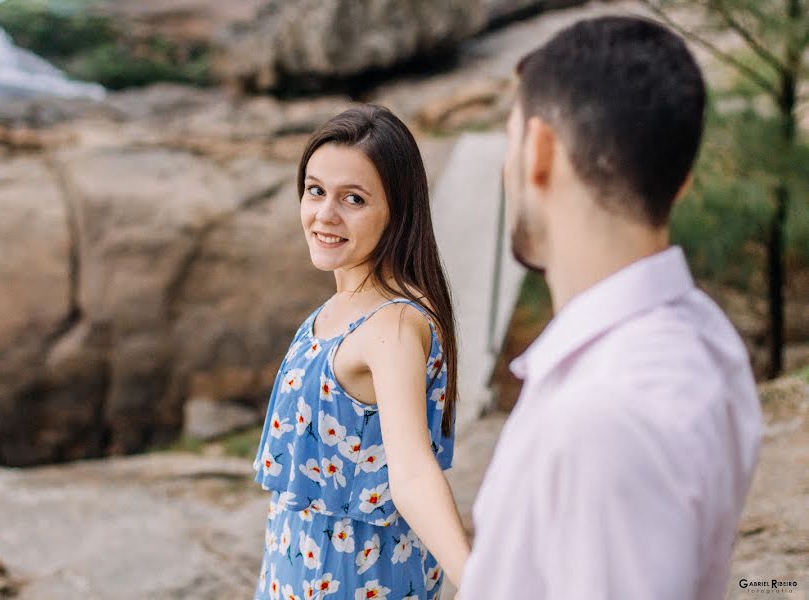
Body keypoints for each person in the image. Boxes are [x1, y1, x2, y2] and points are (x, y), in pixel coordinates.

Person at [459, 16, 763, 600]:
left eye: (511, 138)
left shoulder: (605, 417)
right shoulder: (704, 336)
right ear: (681, 185)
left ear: (540, 151)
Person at [252, 104, 470, 600]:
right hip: (300, 573)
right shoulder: (340, 307)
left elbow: (412, 473)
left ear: (397, 209)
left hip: (355, 582)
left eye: (353, 198)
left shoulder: (391, 323)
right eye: (315, 191)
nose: (325, 215)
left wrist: (481, 579)